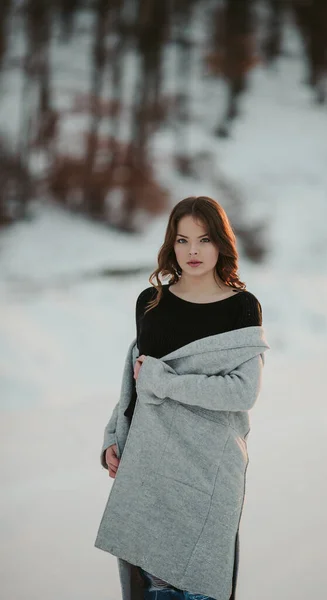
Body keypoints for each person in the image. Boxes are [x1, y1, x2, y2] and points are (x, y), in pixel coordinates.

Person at [98, 195, 268, 600]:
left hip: (207, 470)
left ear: (221, 243)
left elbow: (242, 391)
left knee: (197, 584)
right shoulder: (151, 301)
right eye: (182, 240)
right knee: (151, 586)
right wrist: (112, 435)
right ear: (170, 245)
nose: (193, 251)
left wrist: (167, 381)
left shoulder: (242, 308)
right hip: (150, 467)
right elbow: (136, 379)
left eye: (204, 240)